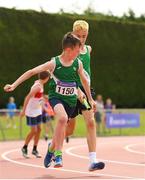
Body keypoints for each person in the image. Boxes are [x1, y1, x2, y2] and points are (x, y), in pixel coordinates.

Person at [4, 32, 96, 169]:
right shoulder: (54, 63)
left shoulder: (78, 63)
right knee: (62, 119)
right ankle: (58, 155)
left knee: (62, 124)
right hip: (56, 98)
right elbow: (31, 72)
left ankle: (51, 148)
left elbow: (85, 81)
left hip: (71, 101)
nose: (79, 53)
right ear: (68, 50)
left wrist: (90, 99)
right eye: (77, 51)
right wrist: (14, 84)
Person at [65, 20, 105, 171]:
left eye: (84, 36)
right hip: (72, 91)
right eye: (78, 36)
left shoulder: (88, 49)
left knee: (91, 122)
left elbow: (85, 72)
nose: (81, 39)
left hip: (86, 91)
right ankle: (54, 145)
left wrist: (89, 97)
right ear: (73, 34)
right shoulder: (69, 51)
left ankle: (93, 161)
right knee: (70, 130)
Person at [20, 71, 50, 158]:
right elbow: (27, 97)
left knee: (39, 129)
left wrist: (44, 106)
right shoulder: (37, 86)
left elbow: (39, 96)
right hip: (31, 111)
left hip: (38, 110)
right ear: (46, 78)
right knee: (34, 131)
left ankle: (34, 149)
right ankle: (25, 147)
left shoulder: (41, 84)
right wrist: (23, 111)